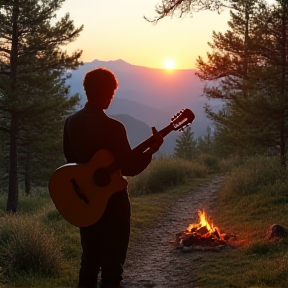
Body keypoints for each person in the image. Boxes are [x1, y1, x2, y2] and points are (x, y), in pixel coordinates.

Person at [63, 67, 164, 288]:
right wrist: (151, 150)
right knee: (112, 267)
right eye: (111, 91)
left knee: (89, 260)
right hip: (114, 204)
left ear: (87, 90)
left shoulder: (70, 122)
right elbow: (130, 167)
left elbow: (71, 161)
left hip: (84, 200)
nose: (112, 96)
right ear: (108, 91)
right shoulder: (113, 127)